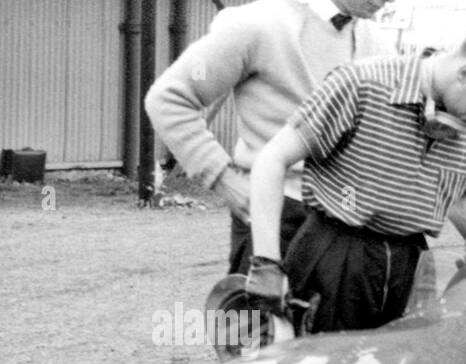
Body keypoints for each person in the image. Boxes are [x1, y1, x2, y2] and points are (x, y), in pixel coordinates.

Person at [244, 28, 466, 333]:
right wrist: (266, 263)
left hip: (409, 268)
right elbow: (271, 160)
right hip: (338, 258)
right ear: (465, 73)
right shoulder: (361, 84)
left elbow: (458, 191)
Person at [145, 0, 394, 276]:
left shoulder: (378, 42)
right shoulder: (255, 25)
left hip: (352, 227)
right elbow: (168, 98)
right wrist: (222, 178)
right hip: (275, 220)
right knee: (257, 318)